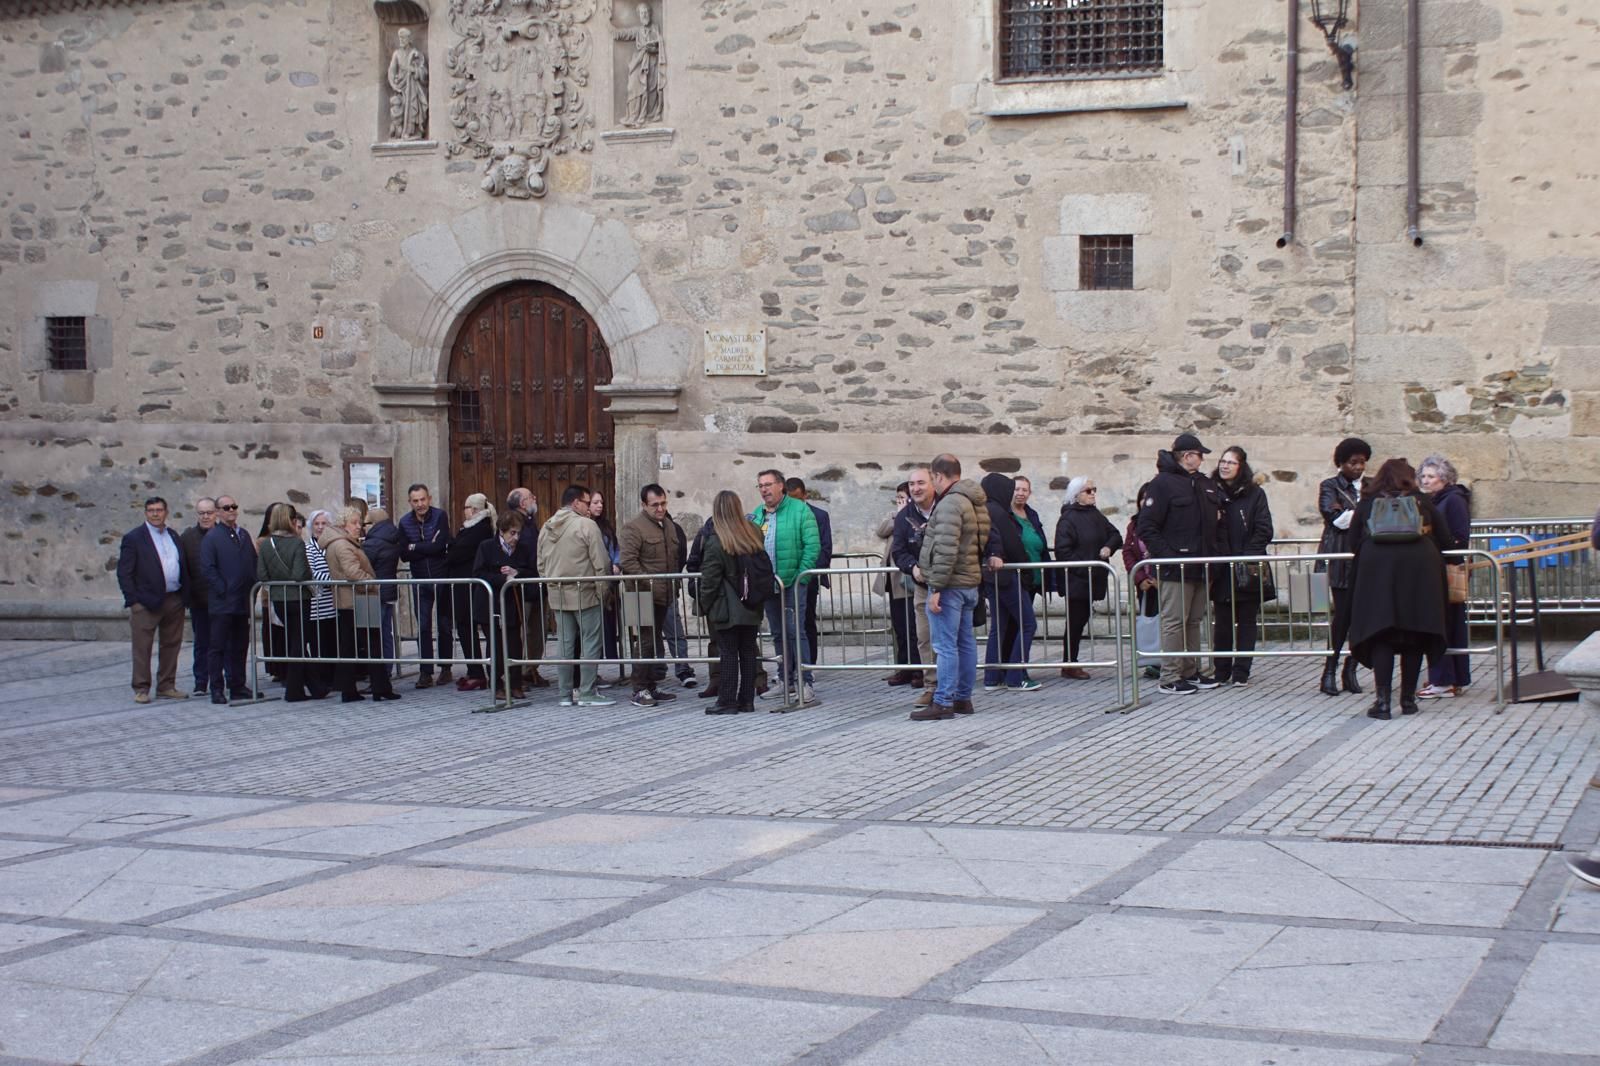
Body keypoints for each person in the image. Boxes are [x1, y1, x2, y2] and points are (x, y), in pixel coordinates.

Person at [1346, 458, 1455, 719]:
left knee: (1382, 633)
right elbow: (1446, 538)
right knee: (1414, 634)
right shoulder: (1421, 501)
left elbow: (1352, 541)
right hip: (1419, 571)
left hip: (1377, 572)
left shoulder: (1368, 502)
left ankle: (1383, 702)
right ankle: (1408, 700)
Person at [1137, 434, 1223, 696]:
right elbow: (1147, 526)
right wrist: (1169, 555)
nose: (1203, 458)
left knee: (1194, 620)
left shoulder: (1204, 483)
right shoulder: (1162, 484)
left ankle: (1191, 670)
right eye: (1199, 454)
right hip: (1176, 568)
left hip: (1201, 565)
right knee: (1174, 621)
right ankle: (1170, 676)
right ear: (1187, 455)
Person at [912, 454, 990, 721]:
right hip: (969, 581)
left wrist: (936, 588)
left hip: (950, 584)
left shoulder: (949, 505)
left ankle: (944, 701)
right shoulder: (974, 501)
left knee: (945, 646)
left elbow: (945, 550)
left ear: (938, 476)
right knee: (965, 643)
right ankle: (962, 698)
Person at [538, 484, 616, 707]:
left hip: (558, 593)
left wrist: (550, 583)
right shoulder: (586, 525)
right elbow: (601, 561)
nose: (589, 507)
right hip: (585, 592)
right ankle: (587, 692)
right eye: (586, 502)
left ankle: (564, 694)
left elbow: (540, 562)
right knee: (591, 642)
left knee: (564, 644)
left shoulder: (546, 526)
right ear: (575, 503)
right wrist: (603, 590)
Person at [751, 469, 821, 706]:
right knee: (778, 633)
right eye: (760, 485)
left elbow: (812, 546)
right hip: (768, 586)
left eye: (768, 484)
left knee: (796, 632)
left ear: (781, 486)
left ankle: (805, 682)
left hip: (792, 582)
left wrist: (801, 576)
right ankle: (784, 680)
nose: (764, 490)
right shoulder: (757, 515)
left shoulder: (800, 510)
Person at [696, 490, 768, 715]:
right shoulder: (754, 532)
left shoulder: (717, 540)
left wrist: (705, 605)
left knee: (728, 652)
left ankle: (727, 701)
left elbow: (710, 579)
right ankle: (746, 700)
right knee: (748, 652)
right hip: (752, 602)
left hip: (727, 605)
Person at [321, 505, 400, 703]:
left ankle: (354, 689)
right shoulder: (342, 544)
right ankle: (378, 687)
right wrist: (374, 584)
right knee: (372, 644)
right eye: (354, 523)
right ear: (344, 525)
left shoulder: (341, 542)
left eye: (359, 523)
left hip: (350, 599)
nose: (359, 527)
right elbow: (353, 572)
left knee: (352, 645)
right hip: (357, 599)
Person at [1209, 447, 1274, 687]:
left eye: (1231, 463)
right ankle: (1221, 670)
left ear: (1241, 466)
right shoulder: (1211, 491)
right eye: (1222, 461)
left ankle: (1241, 672)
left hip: (1247, 566)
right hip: (1222, 565)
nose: (1224, 466)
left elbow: (1264, 529)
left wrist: (1246, 558)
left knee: (1246, 620)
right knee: (1223, 621)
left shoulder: (1255, 494)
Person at [117, 496, 189, 704]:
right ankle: (141, 688)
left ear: (166, 512)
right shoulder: (134, 538)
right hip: (145, 601)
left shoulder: (173, 535)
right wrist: (133, 601)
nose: (155, 514)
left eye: (159, 510)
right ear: (145, 513)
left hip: (173, 598)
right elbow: (124, 572)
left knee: (171, 644)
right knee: (142, 647)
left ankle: (167, 685)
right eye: (151, 510)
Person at [619, 483, 684, 708]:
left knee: (654, 642)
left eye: (663, 503)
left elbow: (674, 558)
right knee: (643, 642)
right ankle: (639, 689)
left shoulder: (668, 525)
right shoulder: (633, 528)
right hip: (639, 594)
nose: (660, 508)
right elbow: (628, 562)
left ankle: (651, 686)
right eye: (655, 504)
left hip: (664, 594)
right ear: (644, 505)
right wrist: (651, 582)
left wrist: (672, 585)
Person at [1317, 437, 1371, 697]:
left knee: (1362, 617)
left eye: (1362, 462)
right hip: (1340, 555)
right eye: (1353, 463)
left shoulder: (1370, 487)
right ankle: (1330, 669)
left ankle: (1351, 667)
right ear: (1341, 463)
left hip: (1365, 556)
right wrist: (1363, 512)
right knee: (1342, 617)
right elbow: (1337, 519)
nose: (1358, 467)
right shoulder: (1330, 486)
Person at [256, 502, 326, 702]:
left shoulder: (267, 543)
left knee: (296, 641)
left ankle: (315, 686)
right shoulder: (296, 543)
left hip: (279, 598)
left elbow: (261, 573)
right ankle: (294, 690)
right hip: (299, 597)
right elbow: (299, 574)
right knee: (298, 642)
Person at [1055, 475, 1123, 681]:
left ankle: (1071, 661)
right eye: (1088, 491)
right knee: (1075, 622)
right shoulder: (1068, 519)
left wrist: (1108, 547)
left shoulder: (1095, 515)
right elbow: (1063, 551)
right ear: (1077, 495)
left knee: (1081, 619)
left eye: (1094, 489)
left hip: (1093, 578)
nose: (1093, 493)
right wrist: (1087, 568)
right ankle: (1069, 663)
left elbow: (1116, 535)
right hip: (1078, 579)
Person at [1417, 454, 1472, 699]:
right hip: (1438, 567)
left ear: (1444, 478)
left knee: (1444, 625)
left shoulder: (1453, 501)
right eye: (1424, 476)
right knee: (1448, 624)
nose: (1425, 481)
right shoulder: (1438, 499)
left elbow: (1459, 536)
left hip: (1445, 568)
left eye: (1431, 476)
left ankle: (1444, 680)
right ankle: (1450, 677)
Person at [979, 472, 1039, 692]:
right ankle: (1015, 675)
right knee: (1028, 623)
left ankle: (992, 677)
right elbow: (1013, 545)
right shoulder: (999, 513)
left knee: (999, 626)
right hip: (1006, 576)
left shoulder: (985, 510)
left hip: (992, 577)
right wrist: (1026, 573)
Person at [200, 495, 259, 705]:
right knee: (218, 647)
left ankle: (237, 684)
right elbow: (208, 568)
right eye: (226, 507)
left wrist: (253, 585)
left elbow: (252, 560)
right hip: (222, 603)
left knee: (240, 645)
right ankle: (217, 688)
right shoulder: (212, 537)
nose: (231, 510)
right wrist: (222, 589)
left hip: (242, 601)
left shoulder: (243, 534)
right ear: (218, 511)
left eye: (234, 506)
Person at [400, 483, 455, 690]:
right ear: (410, 502)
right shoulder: (404, 522)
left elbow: (440, 546)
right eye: (415, 501)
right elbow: (404, 553)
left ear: (429, 499)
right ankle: (425, 671)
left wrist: (416, 546)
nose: (420, 504)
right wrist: (425, 547)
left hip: (441, 576)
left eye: (423, 499)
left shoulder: (440, 516)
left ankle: (446, 668)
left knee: (444, 624)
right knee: (423, 626)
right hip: (420, 578)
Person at [891, 465, 937, 706]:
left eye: (921, 483)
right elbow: (898, 551)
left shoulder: (946, 508)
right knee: (925, 637)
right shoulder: (904, 516)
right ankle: (932, 686)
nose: (916, 488)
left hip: (949, 584)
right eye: (912, 484)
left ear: (933, 484)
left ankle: (956, 686)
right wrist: (913, 568)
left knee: (952, 639)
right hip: (921, 584)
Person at [475, 509, 527, 702]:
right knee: (494, 645)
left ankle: (515, 683)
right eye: (512, 533)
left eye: (518, 533)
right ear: (502, 532)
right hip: (490, 604)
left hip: (512, 604)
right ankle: (496, 682)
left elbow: (530, 570)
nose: (515, 537)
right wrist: (502, 578)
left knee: (514, 643)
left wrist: (517, 572)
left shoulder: (522, 548)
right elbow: (479, 573)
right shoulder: (487, 547)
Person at [447, 493, 496, 692]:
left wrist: (450, 548)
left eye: (466, 508)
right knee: (468, 629)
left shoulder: (479, 529)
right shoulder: (472, 528)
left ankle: (479, 673)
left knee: (473, 628)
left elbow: (455, 554)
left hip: (473, 589)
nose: (464, 512)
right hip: (467, 589)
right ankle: (475, 670)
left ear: (474, 510)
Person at [785, 477, 833, 680]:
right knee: (787, 624)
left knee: (806, 622)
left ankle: (807, 666)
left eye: (797, 498)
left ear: (804, 495)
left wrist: (808, 573)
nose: (794, 503)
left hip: (808, 577)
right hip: (787, 577)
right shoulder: (782, 515)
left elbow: (824, 548)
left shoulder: (819, 515)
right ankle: (789, 666)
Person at [876, 482, 921, 686]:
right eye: (898, 498)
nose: (900, 502)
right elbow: (881, 530)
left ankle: (919, 670)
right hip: (893, 580)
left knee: (913, 629)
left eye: (904, 497)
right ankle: (904, 667)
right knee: (900, 628)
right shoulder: (897, 517)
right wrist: (898, 513)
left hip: (908, 580)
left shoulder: (914, 518)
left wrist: (904, 514)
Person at [506, 487, 549, 688]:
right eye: (532, 497)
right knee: (523, 631)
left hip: (536, 582)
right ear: (523, 503)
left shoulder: (530, 523)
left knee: (536, 631)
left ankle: (531, 668)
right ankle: (520, 670)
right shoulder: (513, 522)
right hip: (522, 583)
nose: (535, 499)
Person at [179, 497, 217, 696]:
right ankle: (201, 681)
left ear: (216, 513)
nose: (205, 516)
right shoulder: (188, 538)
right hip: (199, 601)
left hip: (221, 601)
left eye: (209, 512)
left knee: (222, 643)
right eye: (202, 513)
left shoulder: (224, 534)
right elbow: (183, 568)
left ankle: (221, 680)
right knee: (202, 643)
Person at [1123, 487, 1160, 681]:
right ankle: (1152, 661)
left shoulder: (1164, 521)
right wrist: (1140, 579)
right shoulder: (1134, 525)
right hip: (1144, 583)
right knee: (1149, 621)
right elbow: (1128, 552)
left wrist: (1158, 578)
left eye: (1149, 498)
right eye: (1142, 498)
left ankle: (1168, 660)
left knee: (1167, 622)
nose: (1145, 502)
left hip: (1163, 581)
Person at [589, 489, 626, 682]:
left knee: (608, 628)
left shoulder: (605, 527)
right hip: (593, 584)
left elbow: (615, 549)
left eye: (601, 502)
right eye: (595, 502)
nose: (599, 506)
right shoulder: (585, 527)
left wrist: (617, 564)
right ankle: (590, 674)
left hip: (609, 583)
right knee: (592, 630)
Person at [660, 505, 698, 689]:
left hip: (667, 588)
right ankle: (655, 669)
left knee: (674, 630)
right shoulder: (638, 529)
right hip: (646, 588)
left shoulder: (675, 530)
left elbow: (681, 556)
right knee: (648, 633)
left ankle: (683, 669)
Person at [362, 507, 402, 677]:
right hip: (387, 591)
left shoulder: (374, 542)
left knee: (375, 634)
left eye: (365, 523)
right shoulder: (391, 537)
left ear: (374, 524)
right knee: (386, 632)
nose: (363, 527)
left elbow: (364, 564)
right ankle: (387, 669)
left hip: (374, 592)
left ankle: (380, 673)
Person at [304, 510, 339, 695]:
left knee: (332, 642)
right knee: (319, 644)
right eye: (316, 524)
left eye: (323, 523)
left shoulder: (331, 546)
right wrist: (334, 579)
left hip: (333, 604)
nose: (320, 527)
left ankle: (334, 678)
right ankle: (323, 680)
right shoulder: (309, 548)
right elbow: (312, 573)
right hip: (317, 604)